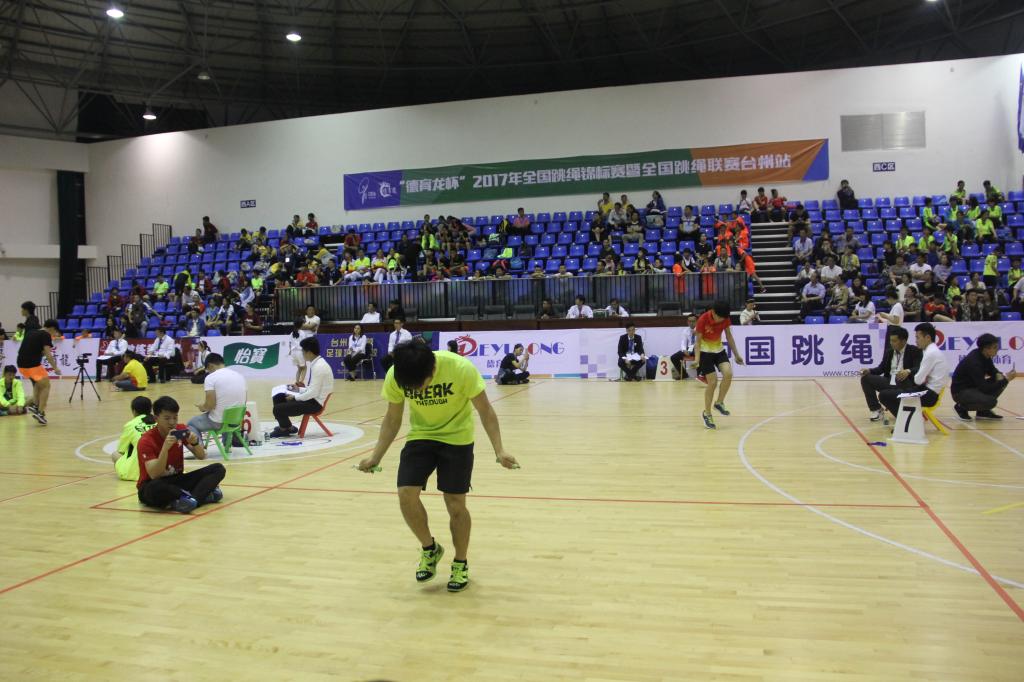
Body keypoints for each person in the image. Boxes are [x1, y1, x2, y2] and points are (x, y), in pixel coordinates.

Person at [357, 340, 519, 592]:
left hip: (457, 438)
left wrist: (499, 449)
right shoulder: (397, 374)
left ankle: (460, 562)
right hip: (421, 436)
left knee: (455, 504)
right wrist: (375, 456)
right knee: (405, 494)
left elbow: (486, 410)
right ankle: (429, 549)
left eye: (419, 384)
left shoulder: (460, 368)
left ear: (432, 370)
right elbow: (392, 418)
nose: (415, 390)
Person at [136, 396, 225, 513]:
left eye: (175, 417)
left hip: (177, 480)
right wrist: (165, 449)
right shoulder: (146, 441)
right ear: (156, 418)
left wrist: (195, 443)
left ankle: (189, 500)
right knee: (155, 487)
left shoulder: (180, 430)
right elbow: (154, 474)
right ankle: (198, 496)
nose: (172, 422)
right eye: (167, 418)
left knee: (218, 469)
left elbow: (201, 456)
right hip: (153, 485)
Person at [878, 323, 949, 419]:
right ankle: (908, 419)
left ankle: (907, 421)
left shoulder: (930, 353)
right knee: (893, 391)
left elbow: (918, 380)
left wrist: (911, 374)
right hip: (928, 391)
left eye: (918, 338)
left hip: (928, 395)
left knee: (884, 395)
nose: (916, 341)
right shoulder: (933, 351)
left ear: (928, 338)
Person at [269, 337, 334, 438]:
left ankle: (284, 429)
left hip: (315, 404)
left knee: (277, 409)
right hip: (312, 399)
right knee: (278, 397)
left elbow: (313, 392)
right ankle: (287, 427)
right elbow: (313, 389)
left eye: (303, 351)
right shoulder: (318, 363)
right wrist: (298, 389)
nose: (302, 354)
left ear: (309, 352)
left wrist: (295, 397)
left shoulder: (319, 367)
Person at [694, 301, 744, 430]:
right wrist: (697, 359)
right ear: (713, 312)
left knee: (728, 373)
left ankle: (719, 402)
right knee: (712, 382)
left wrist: (737, 355)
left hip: (719, 350)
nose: (721, 320)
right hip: (705, 352)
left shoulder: (725, 318)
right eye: (719, 317)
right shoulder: (703, 319)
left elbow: (729, 337)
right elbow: (697, 342)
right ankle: (707, 413)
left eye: (723, 318)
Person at [858, 326, 923, 421]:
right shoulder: (889, 352)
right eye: (890, 340)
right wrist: (869, 370)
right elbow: (881, 369)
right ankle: (876, 409)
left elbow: (919, 368)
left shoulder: (914, 351)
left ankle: (903, 413)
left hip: (905, 383)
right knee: (866, 378)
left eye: (894, 341)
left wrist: (908, 371)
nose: (891, 343)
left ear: (903, 341)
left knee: (886, 393)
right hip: (890, 382)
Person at [951, 333, 1017, 421]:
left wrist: (1001, 375)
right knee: (991, 402)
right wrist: (1006, 379)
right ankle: (961, 407)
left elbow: (993, 371)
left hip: (973, 387)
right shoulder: (974, 362)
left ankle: (982, 412)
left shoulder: (985, 355)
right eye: (995, 347)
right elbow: (984, 388)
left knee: (1000, 379)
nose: (997, 349)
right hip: (961, 392)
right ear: (986, 348)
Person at [187, 353, 247, 447]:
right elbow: (244, 401)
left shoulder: (211, 378)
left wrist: (202, 407)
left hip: (218, 422)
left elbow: (210, 405)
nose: (208, 372)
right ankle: (227, 444)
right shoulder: (239, 376)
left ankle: (200, 449)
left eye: (208, 370)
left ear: (210, 365)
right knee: (225, 410)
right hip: (236, 420)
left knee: (191, 423)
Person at [17, 318, 60, 425]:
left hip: (21, 365)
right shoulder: (46, 335)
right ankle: (40, 413)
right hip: (32, 365)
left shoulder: (31, 332)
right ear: (52, 328)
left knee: (38, 383)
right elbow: (48, 354)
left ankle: (36, 406)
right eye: (55, 331)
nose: (54, 333)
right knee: (46, 385)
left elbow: (31, 349)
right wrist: (55, 368)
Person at [113, 396, 155, 481]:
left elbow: (121, 450)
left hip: (137, 474)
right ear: (150, 409)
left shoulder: (131, 424)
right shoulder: (159, 421)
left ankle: (127, 469)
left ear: (134, 411)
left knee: (115, 454)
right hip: (161, 470)